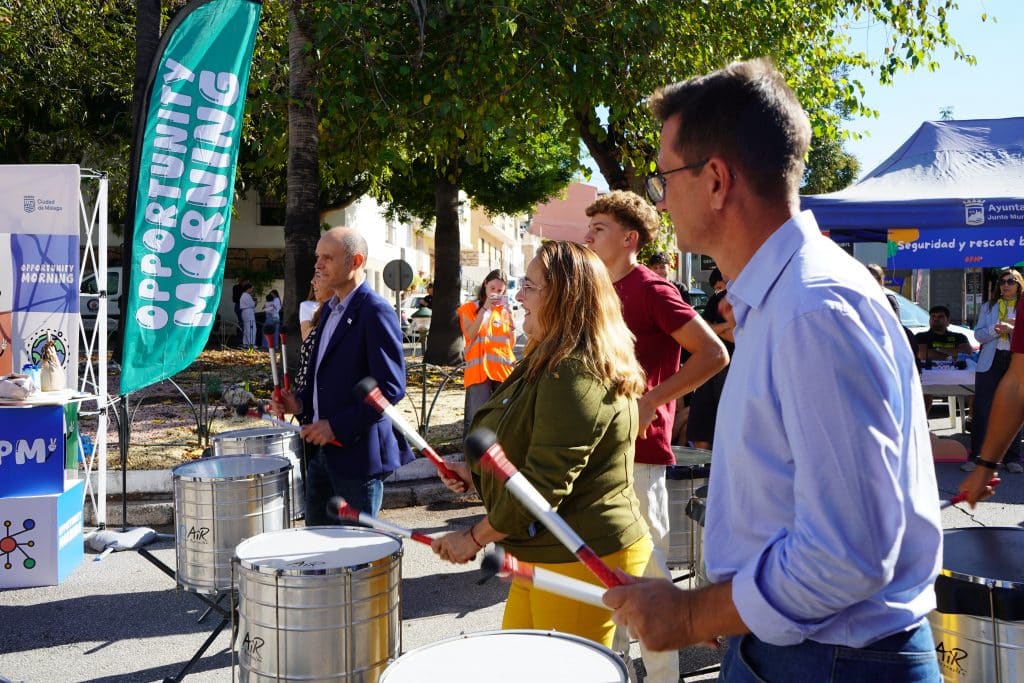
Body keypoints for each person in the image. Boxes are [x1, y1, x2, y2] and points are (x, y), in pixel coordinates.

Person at [604, 59, 942, 681]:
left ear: (715, 180)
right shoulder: (785, 301)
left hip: (834, 661)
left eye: (664, 178)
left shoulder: (812, 310)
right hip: (806, 651)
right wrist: (729, 607)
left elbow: (846, 554)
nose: (661, 199)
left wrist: (693, 614)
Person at [432, 241, 652, 649]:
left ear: (564, 297)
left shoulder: (574, 372)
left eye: (530, 287)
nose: (518, 296)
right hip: (544, 550)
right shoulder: (547, 357)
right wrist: (476, 473)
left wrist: (475, 537)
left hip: (581, 553)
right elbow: (528, 444)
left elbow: (542, 484)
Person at [584, 190, 728, 683]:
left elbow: (713, 354)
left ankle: (664, 678)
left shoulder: (652, 289)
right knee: (607, 574)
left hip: (640, 453)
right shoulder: (595, 289)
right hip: (596, 454)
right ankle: (615, 671)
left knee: (648, 572)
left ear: (630, 239)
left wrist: (651, 401)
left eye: (599, 228)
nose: (588, 236)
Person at [270, 227, 413, 520]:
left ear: (355, 261)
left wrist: (336, 426)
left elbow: (390, 387)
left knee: (355, 546)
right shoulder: (329, 310)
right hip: (321, 455)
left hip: (358, 458)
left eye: (328, 258)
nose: (318, 265)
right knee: (317, 543)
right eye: (317, 257)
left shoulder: (375, 311)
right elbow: (324, 375)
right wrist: (299, 403)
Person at [959, 293, 1024, 504]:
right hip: (992, 361)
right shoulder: (993, 306)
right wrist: (985, 467)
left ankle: (1013, 458)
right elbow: (1017, 386)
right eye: (1003, 281)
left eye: (1011, 281)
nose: (1006, 285)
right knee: (983, 408)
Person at [457, 270, 516, 436]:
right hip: (478, 371)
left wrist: (511, 317)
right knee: (476, 419)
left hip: (502, 372)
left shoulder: (504, 311)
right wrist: (484, 309)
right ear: (485, 285)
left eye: (500, 291)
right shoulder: (469, 308)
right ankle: (472, 451)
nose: (495, 293)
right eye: (492, 288)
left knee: (502, 418)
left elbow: (510, 344)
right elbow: (470, 334)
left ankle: (499, 450)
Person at [686, 268, 734, 450]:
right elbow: (704, 330)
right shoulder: (716, 299)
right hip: (711, 369)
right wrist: (728, 325)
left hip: (733, 370)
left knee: (728, 424)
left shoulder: (746, 300)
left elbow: (738, 336)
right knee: (701, 422)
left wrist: (717, 329)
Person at [915, 304, 973, 413]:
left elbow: (967, 352)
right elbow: (922, 354)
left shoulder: (959, 336)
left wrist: (937, 350)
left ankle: (971, 418)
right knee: (924, 393)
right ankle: (922, 421)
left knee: (978, 387)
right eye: (933, 316)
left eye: (940, 316)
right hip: (930, 378)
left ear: (948, 321)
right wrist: (952, 354)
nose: (936, 319)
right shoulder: (921, 336)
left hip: (958, 378)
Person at [238, 283, 256, 349]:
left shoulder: (243, 295)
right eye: (251, 289)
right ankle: (251, 344)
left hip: (245, 312)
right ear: (248, 289)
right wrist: (255, 302)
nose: (252, 290)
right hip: (248, 312)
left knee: (246, 328)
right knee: (252, 328)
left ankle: (245, 343)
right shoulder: (246, 295)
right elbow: (252, 304)